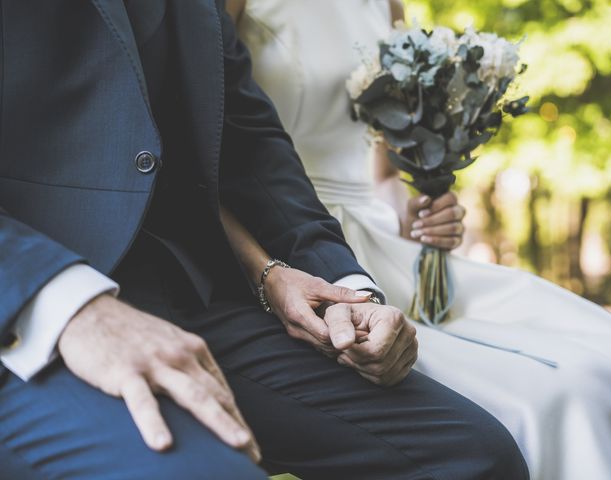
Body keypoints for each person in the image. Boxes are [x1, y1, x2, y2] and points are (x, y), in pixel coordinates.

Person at [0, 1, 529, 479]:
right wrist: (68, 305)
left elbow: (250, 144)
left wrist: (345, 289)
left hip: (188, 295)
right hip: (26, 318)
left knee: (474, 454)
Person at [228, 0, 611, 478]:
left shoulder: (385, 4)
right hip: (292, 249)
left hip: (381, 242)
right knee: (558, 397)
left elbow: (382, 172)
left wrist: (421, 210)